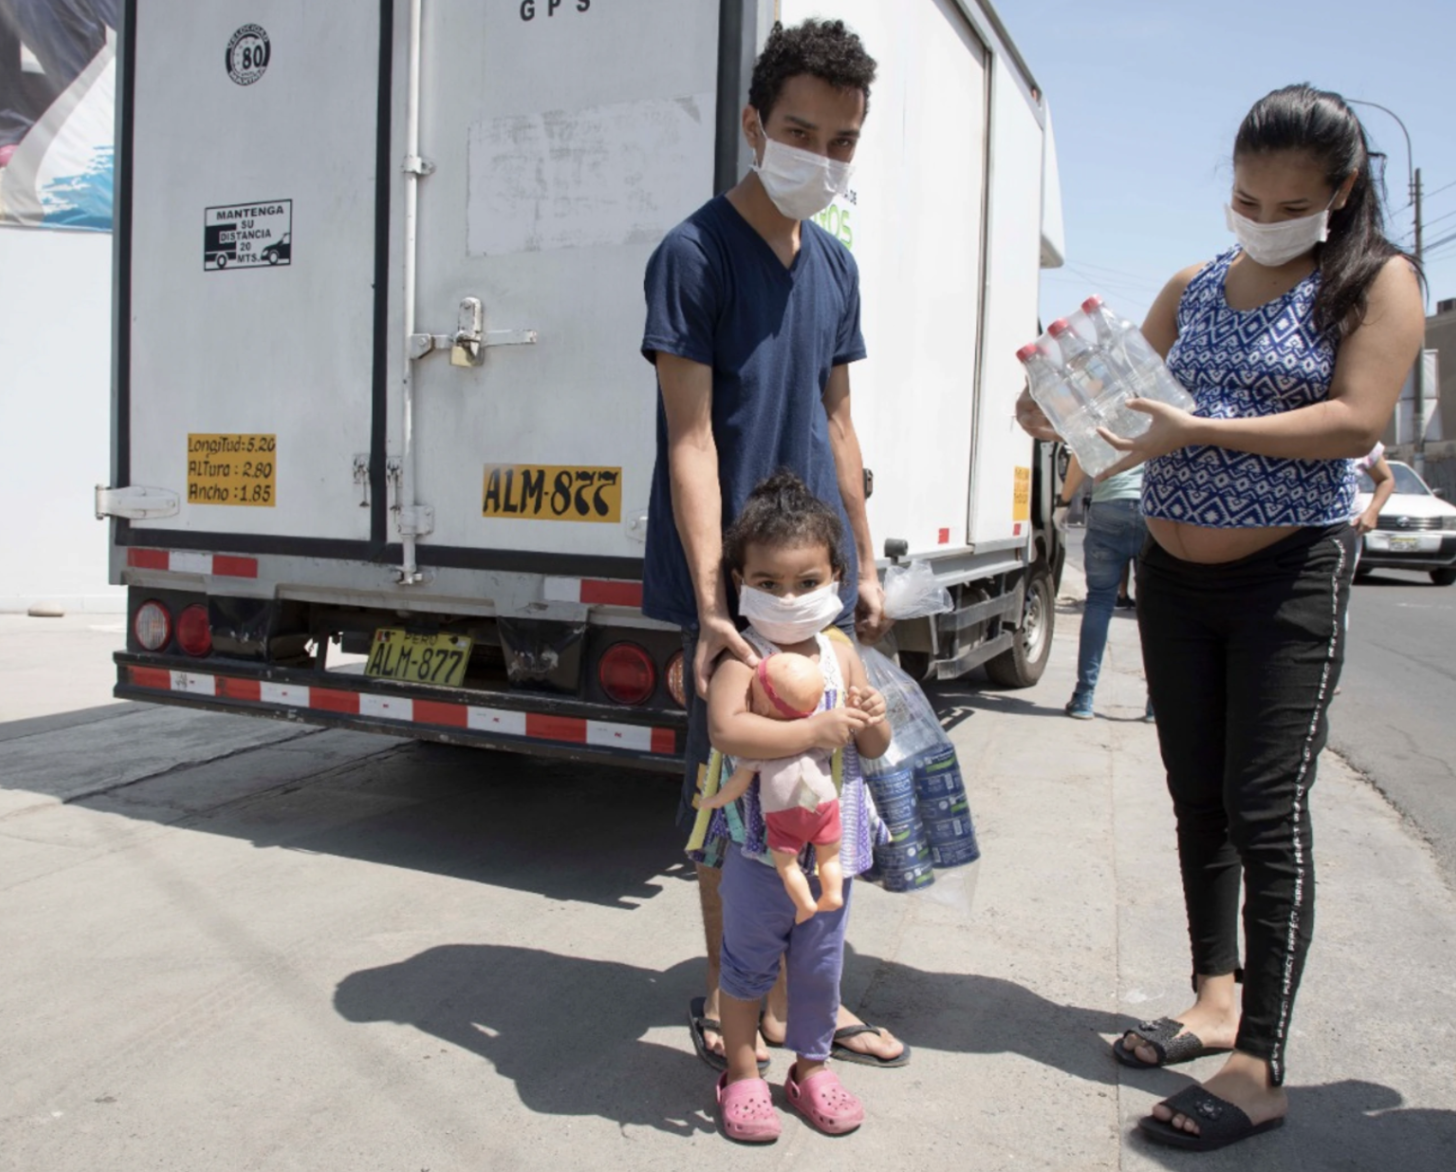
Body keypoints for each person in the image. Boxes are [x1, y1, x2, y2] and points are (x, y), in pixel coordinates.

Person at [1017, 84, 1423, 1151]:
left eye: (1284, 200)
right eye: (1242, 194)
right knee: (1194, 789)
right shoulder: (1191, 284)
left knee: (1263, 801)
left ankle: (1260, 1063)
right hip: (1176, 576)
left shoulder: (1376, 283)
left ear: (1337, 192)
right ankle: (1213, 995)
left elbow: (1353, 422)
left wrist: (1194, 429)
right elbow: (1118, 417)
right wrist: (1057, 406)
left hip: (1287, 573)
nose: (1256, 213)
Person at [639, 18, 904, 1072]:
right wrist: (711, 606)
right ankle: (730, 1000)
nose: (823, 157)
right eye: (802, 132)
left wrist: (869, 561)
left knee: (824, 791)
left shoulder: (834, 265)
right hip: (735, 585)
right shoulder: (693, 253)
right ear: (753, 124)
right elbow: (692, 437)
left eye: (843, 140)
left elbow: (840, 425)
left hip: (815, 577)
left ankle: (810, 995)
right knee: (734, 798)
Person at [689, 471, 891, 1141]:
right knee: (747, 962)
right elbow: (727, 731)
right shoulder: (744, 656)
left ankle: (812, 1067)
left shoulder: (842, 654)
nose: (789, 597)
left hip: (834, 846)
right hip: (759, 847)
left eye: (807, 582)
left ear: (835, 574)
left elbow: (873, 741)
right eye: (768, 584)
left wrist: (871, 715)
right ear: (741, 583)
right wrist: (809, 733)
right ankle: (743, 1075)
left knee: (819, 964)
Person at [701, 650, 844, 923]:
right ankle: (833, 893)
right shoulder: (818, 736)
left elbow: (738, 784)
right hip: (825, 805)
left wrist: (715, 800)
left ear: (763, 707)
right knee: (829, 859)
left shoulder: (763, 747)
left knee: (787, 866)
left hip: (785, 814)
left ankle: (805, 905)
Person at [1057, 454, 1154, 722]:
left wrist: (1063, 502)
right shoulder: (1162, 411)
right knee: (1157, 610)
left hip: (1108, 507)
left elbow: (1080, 458)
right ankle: (1156, 703)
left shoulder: (1102, 415)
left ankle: (1083, 698)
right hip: (1152, 508)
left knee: (1099, 603)